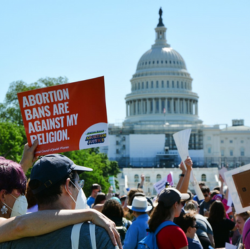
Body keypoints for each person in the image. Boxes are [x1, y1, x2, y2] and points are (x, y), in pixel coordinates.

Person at [0, 154, 117, 248]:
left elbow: (20, 225)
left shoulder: (8, 239)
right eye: (78, 183)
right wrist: (89, 214)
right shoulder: (97, 236)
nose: (80, 188)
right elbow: (20, 225)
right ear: (67, 185)